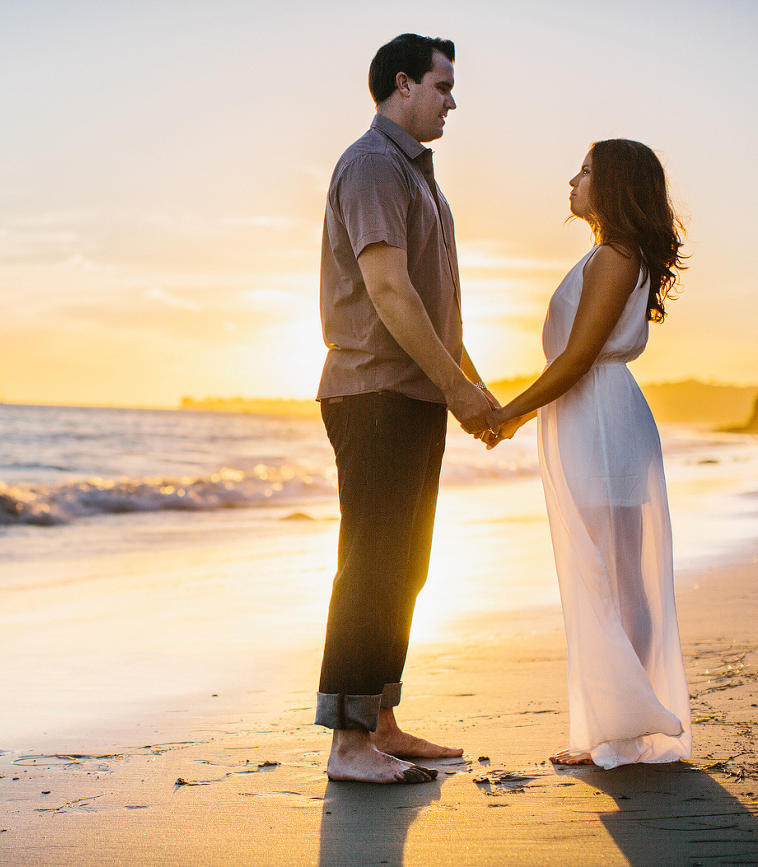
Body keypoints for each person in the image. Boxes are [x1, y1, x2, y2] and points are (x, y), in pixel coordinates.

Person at [314, 33, 500, 785]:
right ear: (402, 84)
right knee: (371, 565)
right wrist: (458, 389)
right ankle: (348, 743)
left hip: (414, 392)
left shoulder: (421, 179)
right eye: (443, 85)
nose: (453, 100)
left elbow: (436, 307)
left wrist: (473, 389)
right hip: (372, 392)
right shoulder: (370, 165)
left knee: (405, 567)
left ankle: (381, 722)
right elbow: (388, 291)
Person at [485, 140, 691, 768]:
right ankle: (622, 720)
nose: (571, 180)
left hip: (600, 419)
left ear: (614, 187)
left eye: (585, 172)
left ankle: (626, 726)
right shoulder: (612, 255)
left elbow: (575, 360)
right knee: (611, 571)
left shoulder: (614, 257)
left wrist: (510, 414)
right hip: (593, 416)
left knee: (614, 574)